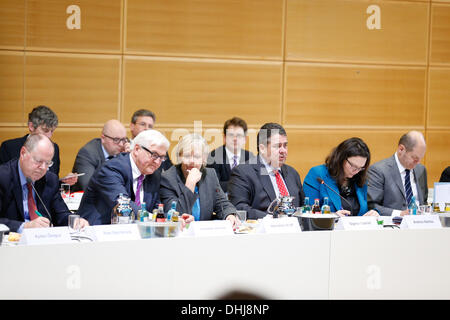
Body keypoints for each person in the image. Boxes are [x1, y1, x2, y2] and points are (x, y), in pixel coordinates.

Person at [78, 129, 170, 225]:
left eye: (162, 157)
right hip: (97, 231)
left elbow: (155, 208)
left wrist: (170, 218)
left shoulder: (153, 174)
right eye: (154, 155)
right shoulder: (111, 169)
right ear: (137, 149)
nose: (158, 162)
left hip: (134, 232)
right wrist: (154, 218)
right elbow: (123, 206)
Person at [0, 134, 89, 232]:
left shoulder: (50, 180)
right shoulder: (3, 177)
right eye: (38, 161)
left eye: (47, 163)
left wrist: (75, 221)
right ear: (23, 153)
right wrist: (24, 226)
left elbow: (61, 214)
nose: (43, 168)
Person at [160, 133, 239, 227]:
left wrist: (229, 215)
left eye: (197, 157)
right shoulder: (168, 178)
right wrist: (190, 185)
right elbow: (175, 216)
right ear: (180, 156)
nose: (192, 161)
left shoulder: (210, 175)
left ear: (203, 159)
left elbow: (223, 204)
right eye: (187, 156)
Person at [228, 123, 304, 219]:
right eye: (277, 146)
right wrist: (273, 219)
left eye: (285, 146)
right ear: (262, 148)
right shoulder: (243, 172)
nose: (283, 151)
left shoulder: (292, 173)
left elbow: (302, 206)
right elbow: (239, 208)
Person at [0, 105, 77, 186]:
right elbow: (4, 184)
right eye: (45, 130)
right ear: (31, 126)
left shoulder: (54, 148)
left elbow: (51, 184)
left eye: (52, 131)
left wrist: (63, 182)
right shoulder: (9, 147)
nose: (49, 136)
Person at [303, 137, 379, 217]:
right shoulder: (318, 174)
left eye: (360, 167)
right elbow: (308, 212)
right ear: (341, 158)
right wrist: (332, 216)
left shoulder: (360, 177)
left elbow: (369, 207)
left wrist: (374, 212)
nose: (356, 171)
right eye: (353, 166)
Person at [368, 131, 428, 216]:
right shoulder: (379, 170)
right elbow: (371, 206)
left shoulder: (421, 170)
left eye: (420, 158)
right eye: (415, 158)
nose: (418, 162)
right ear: (401, 149)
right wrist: (400, 214)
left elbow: (424, 202)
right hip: (392, 225)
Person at [71, 119, 130, 191]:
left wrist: (128, 160)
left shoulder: (125, 152)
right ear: (103, 138)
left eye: (123, 139)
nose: (121, 144)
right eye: (116, 139)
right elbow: (88, 186)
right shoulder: (88, 153)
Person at [207, 117, 255, 193]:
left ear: (245, 139)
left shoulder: (250, 157)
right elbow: (213, 186)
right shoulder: (214, 157)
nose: (235, 139)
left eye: (239, 135)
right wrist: (239, 183)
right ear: (224, 137)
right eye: (231, 135)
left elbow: (254, 183)